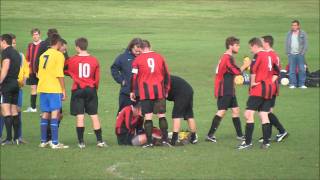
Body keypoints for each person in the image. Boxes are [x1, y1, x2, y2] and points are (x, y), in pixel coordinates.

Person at [206, 37, 250, 143]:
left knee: (235, 110)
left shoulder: (227, 57)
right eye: (237, 45)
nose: (238, 47)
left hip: (229, 88)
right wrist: (245, 65)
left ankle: (239, 135)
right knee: (221, 111)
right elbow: (236, 71)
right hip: (224, 89)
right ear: (230, 46)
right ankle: (210, 135)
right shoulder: (227, 58)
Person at [64, 37, 106, 149]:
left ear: (77, 47)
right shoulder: (94, 60)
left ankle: (81, 142)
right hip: (91, 89)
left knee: (80, 116)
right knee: (94, 115)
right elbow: (97, 78)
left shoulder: (72, 60)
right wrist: (94, 88)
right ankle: (100, 141)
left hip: (78, 90)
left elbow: (66, 70)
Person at [130, 40, 171, 148]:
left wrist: (133, 91)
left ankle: (149, 143)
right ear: (150, 46)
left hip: (145, 93)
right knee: (161, 115)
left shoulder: (137, 60)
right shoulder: (159, 57)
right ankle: (165, 140)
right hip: (159, 91)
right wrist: (166, 90)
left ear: (140, 48)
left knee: (148, 117)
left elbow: (134, 77)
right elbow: (167, 74)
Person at [238, 37, 273, 150]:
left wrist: (252, 83)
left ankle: (247, 143)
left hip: (259, 89)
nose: (251, 50)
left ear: (255, 46)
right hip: (269, 89)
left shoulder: (258, 56)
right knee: (264, 114)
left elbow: (253, 71)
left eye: (251, 48)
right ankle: (266, 142)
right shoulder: (269, 55)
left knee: (248, 114)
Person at [37, 33, 68, 149]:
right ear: (58, 43)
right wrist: (63, 90)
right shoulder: (59, 56)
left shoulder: (43, 55)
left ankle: (43, 141)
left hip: (43, 87)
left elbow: (39, 73)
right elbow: (60, 74)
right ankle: (54, 143)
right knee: (55, 113)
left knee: (45, 113)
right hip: (53, 87)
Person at [262, 35, 289, 142]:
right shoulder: (267, 54)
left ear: (267, 43)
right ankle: (267, 135)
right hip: (268, 87)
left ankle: (282, 131)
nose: (260, 44)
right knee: (266, 111)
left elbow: (276, 73)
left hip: (270, 88)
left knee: (266, 112)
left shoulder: (273, 56)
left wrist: (268, 84)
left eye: (261, 42)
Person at [111, 38, 143, 113]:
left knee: (139, 116)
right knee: (123, 114)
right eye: (136, 51)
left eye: (139, 51)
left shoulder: (143, 57)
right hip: (126, 92)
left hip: (141, 93)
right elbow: (114, 68)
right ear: (131, 47)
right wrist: (121, 80)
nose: (138, 53)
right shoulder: (123, 57)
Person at [0, 34, 21, 145]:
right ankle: (17, 138)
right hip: (15, 83)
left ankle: (8, 138)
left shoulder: (6, 52)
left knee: (6, 111)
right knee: (14, 111)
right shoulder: (16, 53)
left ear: (3, 41)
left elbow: (5, 68)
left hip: (7, 84)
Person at [167, 75, 198, 145]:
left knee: (176, 115)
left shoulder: (160, 81)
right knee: (189, 115)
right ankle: (193, 138)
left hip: (181, 93)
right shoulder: (165, 78)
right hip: (188, 90)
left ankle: (174, 140)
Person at [11, 34, 29, 144]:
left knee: (18, 112)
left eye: (14, 43)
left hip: (18, 88)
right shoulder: (3, 56)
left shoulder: (20, 56)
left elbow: (26, 70)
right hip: (6, 88)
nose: (13, 45)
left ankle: (19, 137)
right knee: (4, 112)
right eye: (12, 43)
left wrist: (24, 81)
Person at [286, 20, 308, 89]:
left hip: (300, 54)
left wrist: (302, 52)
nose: (293, 26)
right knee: (292, 69)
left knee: (302, 69)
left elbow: (305, 44)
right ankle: (293, 84)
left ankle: (301, 84)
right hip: (291, 54)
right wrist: (288, 53)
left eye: (295, 25)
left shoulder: (303, 33)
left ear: (298, 26)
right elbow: (287, 43)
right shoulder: (289, 33)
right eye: (292, 25)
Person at [24, 28, 42, 113]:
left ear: (39, 35)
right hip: (32, 71)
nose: (35, 36)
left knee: (43, 89)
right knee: (33, 88)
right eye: (34, 35)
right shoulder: (30, 45)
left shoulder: (43, 45)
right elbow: (27, 59)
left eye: (36, 34)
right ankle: (33, 108)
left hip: (41, 71)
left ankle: (45, 108)